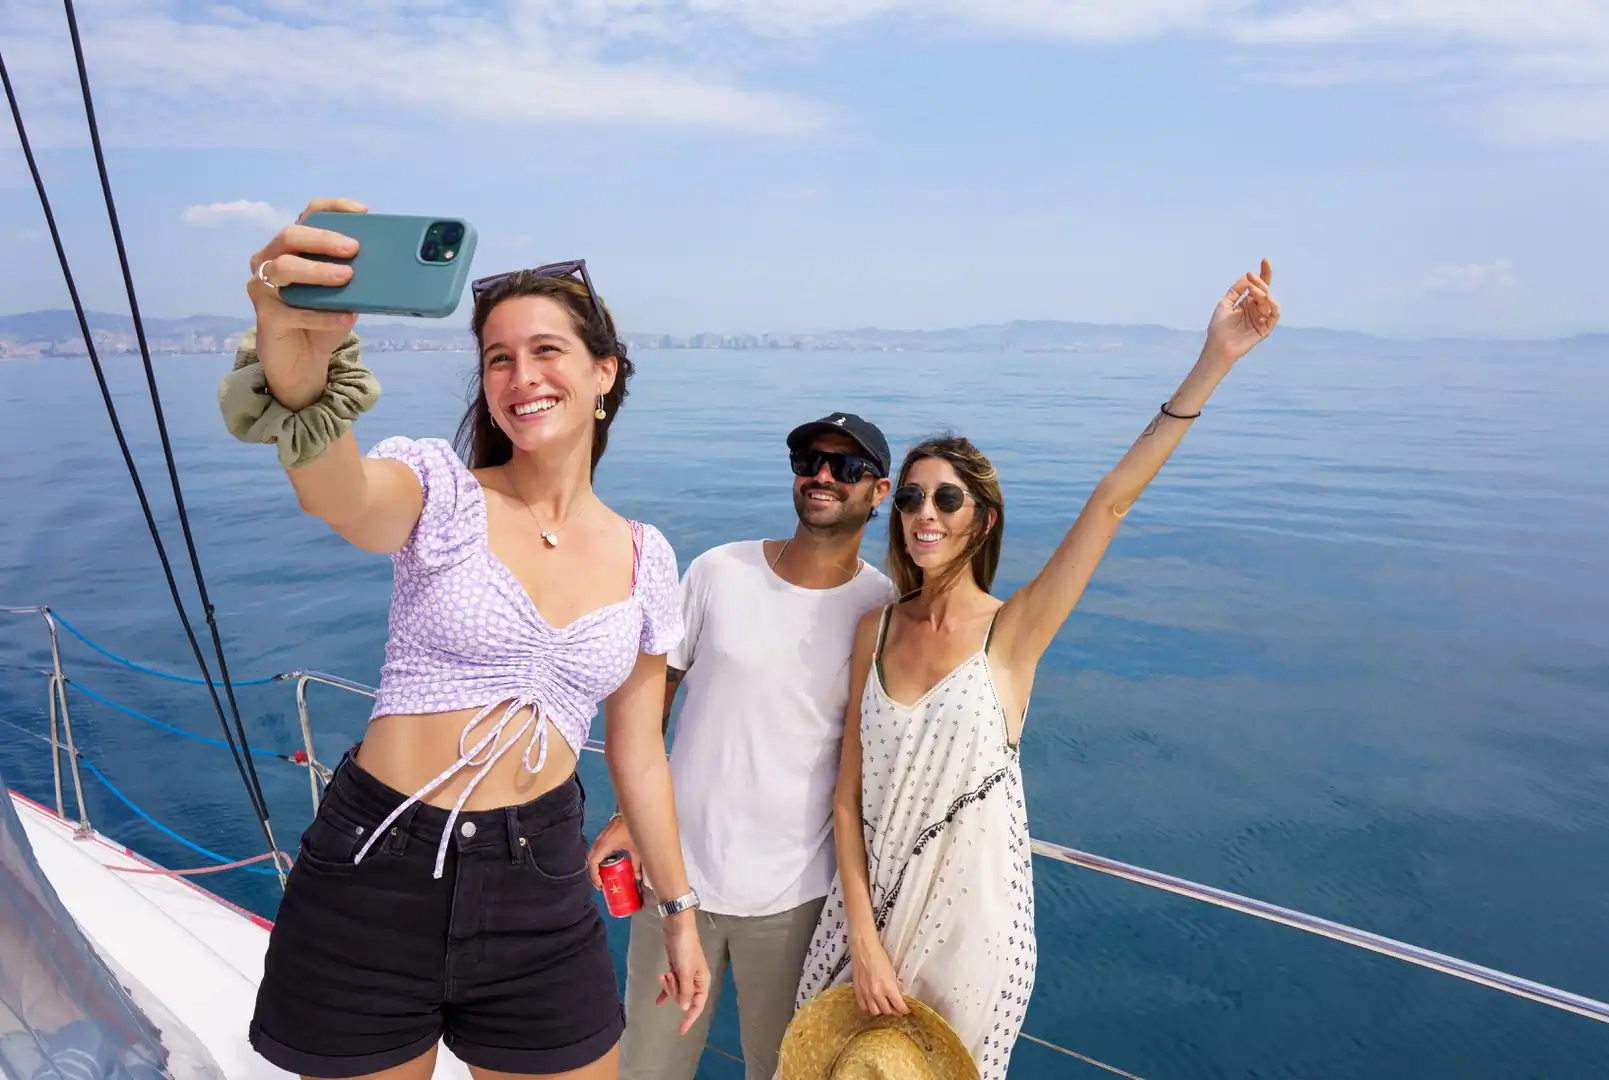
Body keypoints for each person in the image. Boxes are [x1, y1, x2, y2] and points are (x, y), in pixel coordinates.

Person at [221, 197, 709, 1080]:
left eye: (546, 351)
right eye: (498, 358)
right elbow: (342, 497)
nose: (521, 376)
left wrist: (678, 909)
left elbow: (640, 758)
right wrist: (300, 375)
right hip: (380, 867)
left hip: (542, 886)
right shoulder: (441, 491)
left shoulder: (648, 559)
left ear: (605, 373)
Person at [790, 261, 1283, 1080]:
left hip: (972, 931)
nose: (924, 515)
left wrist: (1215, 359)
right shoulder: (874, 628)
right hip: (865, 921)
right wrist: (864, 944)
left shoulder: (1011, 635)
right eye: (911, 498)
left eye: (946, 501)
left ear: (981, 521)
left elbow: (1111, 503)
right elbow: (846, 800)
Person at [587, 411, 896, 1080]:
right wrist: (627, 816)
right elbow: (650, 702)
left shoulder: (884, 609)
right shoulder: (717, 571)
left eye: (846, 468)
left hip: (797, 903)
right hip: (676, 884)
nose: (821, 475)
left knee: (781, 1071)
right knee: (649, 1067)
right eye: (809, 459)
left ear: (879, 492)